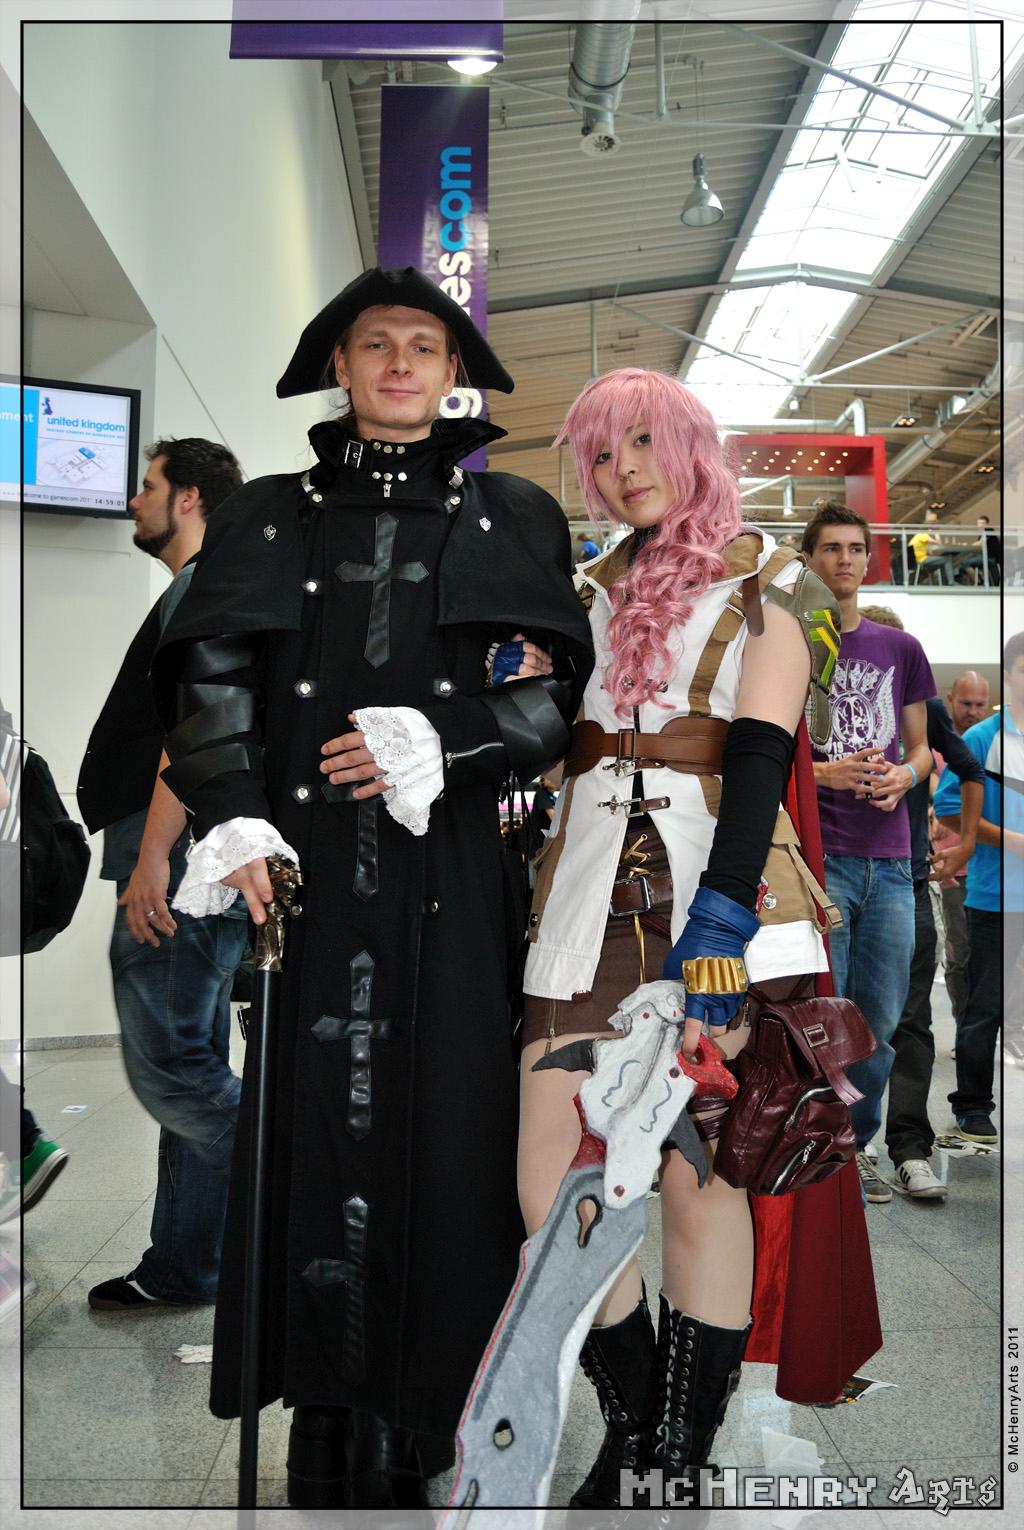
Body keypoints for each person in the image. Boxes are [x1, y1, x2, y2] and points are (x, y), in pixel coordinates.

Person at [151, 266, 594, 1510]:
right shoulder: (266, 513)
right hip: (301, 869)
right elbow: (212, 680)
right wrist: (234, 812)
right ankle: (324, 1410)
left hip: (448, 869)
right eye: (375, 344)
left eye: (423, 345)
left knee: (452, 1129)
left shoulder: (513, 512)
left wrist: (455, 745)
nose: (400, 363)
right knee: (308, 1121)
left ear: (453, 373)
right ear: (338, 367)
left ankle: (420, 1409)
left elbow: (555, 695)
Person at [518, 369, 842, 1508]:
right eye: (603, 454)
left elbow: (759, 754)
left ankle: (670, 1455)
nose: (624, 471)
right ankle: (635, 1422)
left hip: (721, 902)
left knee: (697, 1176)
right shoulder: (579, 591)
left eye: (645, 443)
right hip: (581, 903)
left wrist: (721, 920)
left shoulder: (775, 580)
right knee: (547, 1177)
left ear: (693, 445)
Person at [75, 438, 248, 1309]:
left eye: (147, 486)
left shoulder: (203, 588)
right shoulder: (202, 589)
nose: (133, 501)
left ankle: (293, 1176)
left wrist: (151, 859)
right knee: (195, 1055)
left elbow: (197, 727)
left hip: (176, 860)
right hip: (184, 856)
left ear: (188, 498)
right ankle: (187, 1265)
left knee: (174, 1067)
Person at [802, 501, 934, 1205]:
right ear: (810, 559)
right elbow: (768, 748)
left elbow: (922, 748)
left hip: (891, 864)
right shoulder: (790, 642)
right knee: (823, 1017)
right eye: (831, 548)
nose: (845, 560)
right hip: (820, 859)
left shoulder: (900, 649)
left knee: (880, 1020)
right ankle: (817, 1151)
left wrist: (905, 776)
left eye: (855, 548)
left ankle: (854, 1145)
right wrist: (824, 773)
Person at [865, 624, 985, 1198]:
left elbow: (969, 767)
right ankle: (847, 1145)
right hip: (839, 872)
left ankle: (909, 1147)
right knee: (842, 1014)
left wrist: (964, 843)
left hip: (907, 876)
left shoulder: (921, 703)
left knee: (909, 1019)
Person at [933, 632, 1024, 1140]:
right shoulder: (984, 738)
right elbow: (948, 807)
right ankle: (972, 1105)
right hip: (997, 896)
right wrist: (1012, 840)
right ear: (1008, 676)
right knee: (983, 1006)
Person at [933, 671, 991, 1040]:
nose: (972, 711)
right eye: (966, 703)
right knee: (960, 954)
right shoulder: (934, 748)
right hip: (953, 868)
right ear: (951, 699)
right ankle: (965, 1030)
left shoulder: (990, 746)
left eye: (979, 705)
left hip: (990, 867)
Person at [909, 509, 955, 586]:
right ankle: (951, 582)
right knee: (947, 559)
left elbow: (929, 550)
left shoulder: (918, 536)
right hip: (921, 560)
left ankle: (944, 582)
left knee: (942, 560)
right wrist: (936, 533)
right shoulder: (923, 535)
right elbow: (938, 543)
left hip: (916, 560)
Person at [956, 514, 1001, 585]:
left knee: (965, 563)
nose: (980, 525)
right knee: (964, 565)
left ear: (987, 524)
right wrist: (968, 545)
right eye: (978, 523)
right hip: (986, 558)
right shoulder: (981, 534)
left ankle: (978, 582)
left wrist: (967, 545)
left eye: (982, 523)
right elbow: (978, 544)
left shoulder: (989, 530)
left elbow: (980, 543)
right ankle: (977, 580)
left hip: (991, 559)